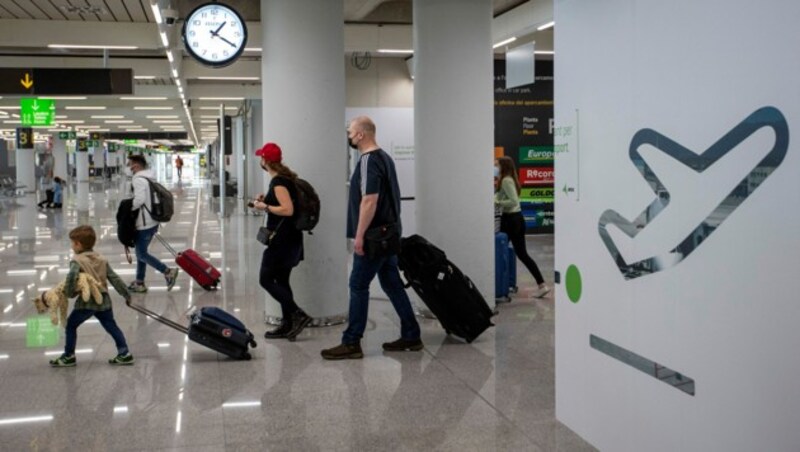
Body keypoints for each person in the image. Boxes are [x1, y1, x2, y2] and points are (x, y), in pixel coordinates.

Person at [321, 116, 422, 360]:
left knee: (358, 285)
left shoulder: (368, 160)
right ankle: (411, 334)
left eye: (350, 132)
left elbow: (370, 200)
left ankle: (352, 341)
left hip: (375, 237)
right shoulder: (385, 158)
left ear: (361, 135)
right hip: (389, 234)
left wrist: (359, 236)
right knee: (391, 284)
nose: (348, 136)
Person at [49, 225, 134, 367]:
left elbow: (72, 277)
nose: (71, 246)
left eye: (72, 243)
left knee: (70, 325)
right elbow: (114, 278)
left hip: (87, 301)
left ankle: (69, 355)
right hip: (104, 300)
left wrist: (69, 293)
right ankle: (124, 353)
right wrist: (126, 294)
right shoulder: (101, 258)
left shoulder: (77, 260)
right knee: (111, 325)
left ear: (78, 244)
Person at [251, 143, 312, 341]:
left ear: (266, 161)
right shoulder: (286, 179)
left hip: (282, 241)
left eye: (262, 157)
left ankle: (298, 314)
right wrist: (265, 200)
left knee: (266, 279)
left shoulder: (278, 182)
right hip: (290, 238)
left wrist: (265, 206)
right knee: (282, 280)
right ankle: (288, 324)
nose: (260, 160)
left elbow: (287, 210)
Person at [495, 156, 550, 298]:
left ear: (503, 166)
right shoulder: (509, 178)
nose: (496, 168)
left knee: (508, 253)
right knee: (517, 253)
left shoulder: (506, 180)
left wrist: (497, 201)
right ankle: (541, 284)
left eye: (497, 165)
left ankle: (541, 284)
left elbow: (513, 201)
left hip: (511, 220)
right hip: (515, 219)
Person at [125, 154, 179, 293]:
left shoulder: (138, 179)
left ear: (136, 165)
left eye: (130, 164)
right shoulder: (149, 177)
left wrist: (127, 209)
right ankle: (139, 282)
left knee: (142, 254)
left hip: (144, 222)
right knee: (141, 253)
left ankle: (167, 271)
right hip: (153, 220)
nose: (129, 167)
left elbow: (139, 200)